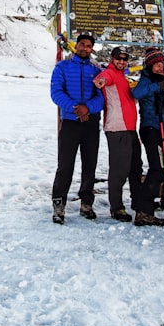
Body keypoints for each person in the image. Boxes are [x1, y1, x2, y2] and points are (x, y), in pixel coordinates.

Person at [94, 47, 164, 226]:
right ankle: (116, 207)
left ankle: (137, 201)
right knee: (119, 170)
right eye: (119, 58)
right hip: (117, 128)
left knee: (135, 168)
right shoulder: (109, 73)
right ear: (112, 58)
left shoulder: (123, 78)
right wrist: (100, 80)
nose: (122, 62)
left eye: (125, 59)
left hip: (130, 129)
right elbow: (103, 78)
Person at [49, 33, 104, 224]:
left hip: (90, 123)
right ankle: (59, 204)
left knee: (90, 165)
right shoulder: (62, 67)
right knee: (65, 165)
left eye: (89, 46)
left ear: (92, 49)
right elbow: (56, 92)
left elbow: (101, 97)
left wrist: (88, 108)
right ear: (76, 46)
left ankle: (86, 203)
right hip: (71, 123)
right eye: (82, 44)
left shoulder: (96, 70)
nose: (85, 48)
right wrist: (76, 108)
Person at [131, 48, 164, 217]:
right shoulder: (146, 80)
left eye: (162, 64)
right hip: (151, 129)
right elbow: (136, 93)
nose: (160, 68)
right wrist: (157, 86)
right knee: (157, 168)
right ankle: (144, 207)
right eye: (156, 65)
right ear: (150, 67)